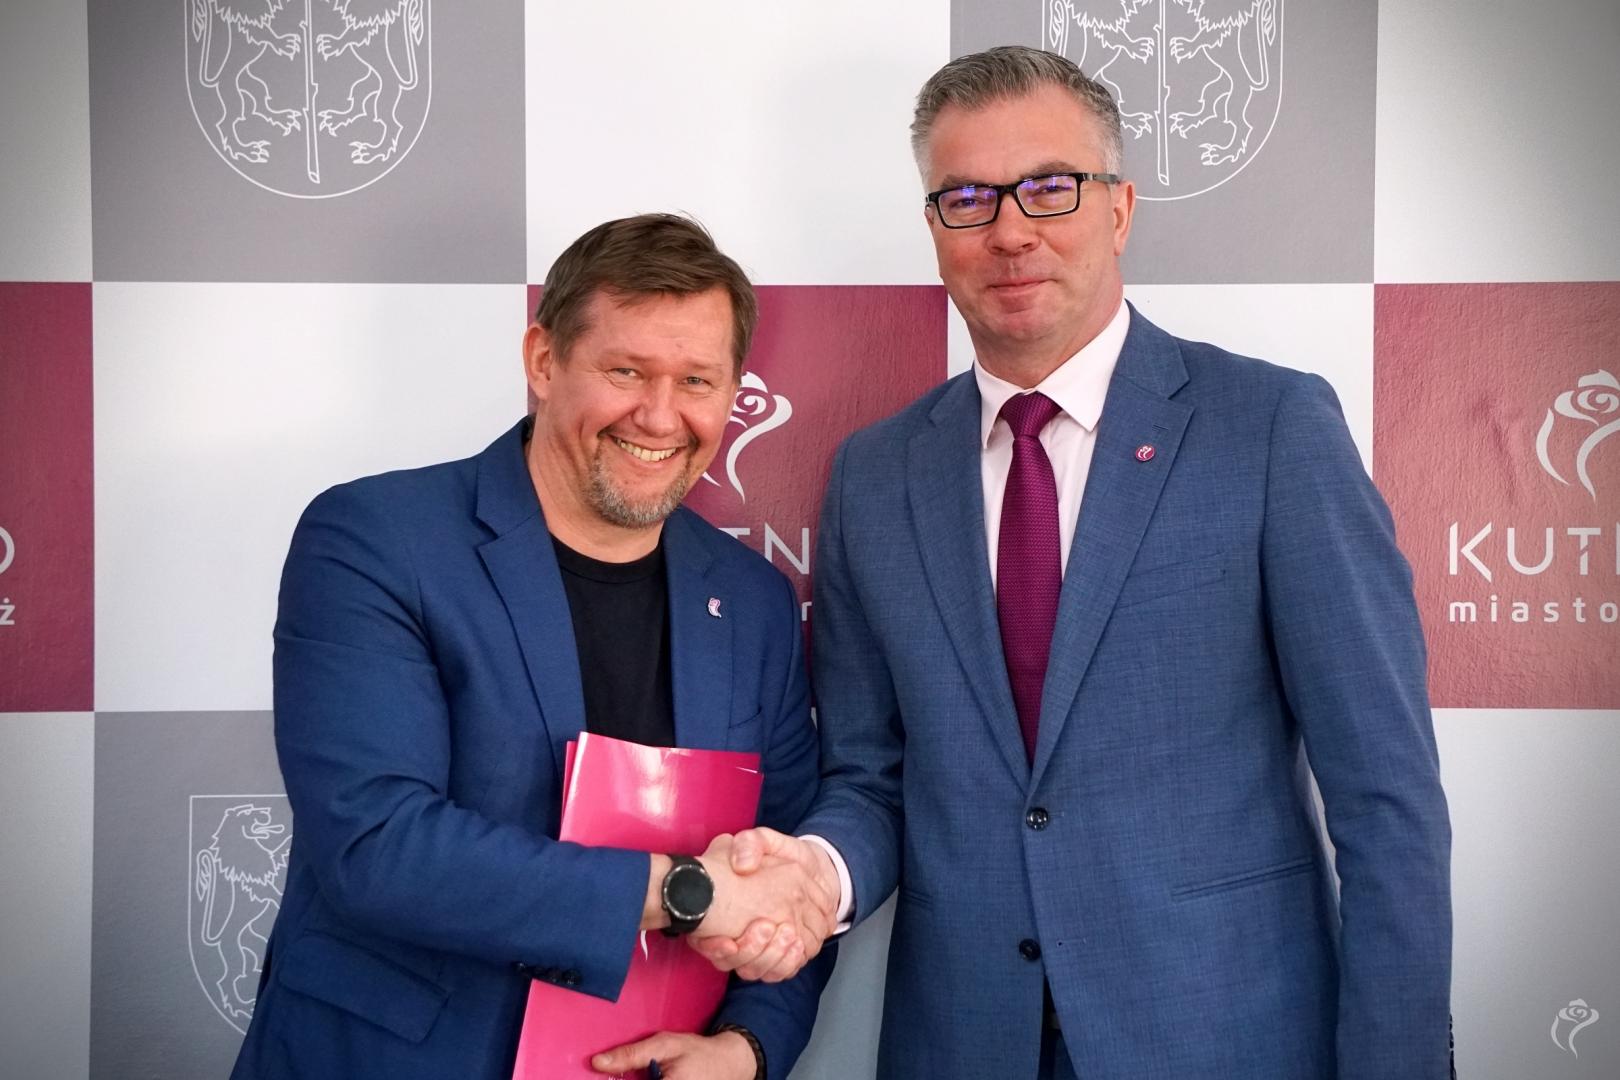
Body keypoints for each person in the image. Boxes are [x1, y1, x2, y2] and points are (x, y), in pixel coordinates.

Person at [703, 45, 1453, 1079]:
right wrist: (815, 877)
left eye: (1050, 187)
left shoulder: (1271, 429)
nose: (1011, 231)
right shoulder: (875, 476)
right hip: (962, 1043)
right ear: (935, 229)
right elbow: (870, 778)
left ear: (1120, 209)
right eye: (968, 199)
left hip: (1224, 1039)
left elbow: (1385, 797)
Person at [231, 214, 836, 1080]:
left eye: (697, 380)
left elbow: (786, 858)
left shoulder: (753, 601)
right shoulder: (373, 540)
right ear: (544, 361)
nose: (659, 415)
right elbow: (378, 844)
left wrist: (746, 1046)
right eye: (626, 371)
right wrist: (686, 893)